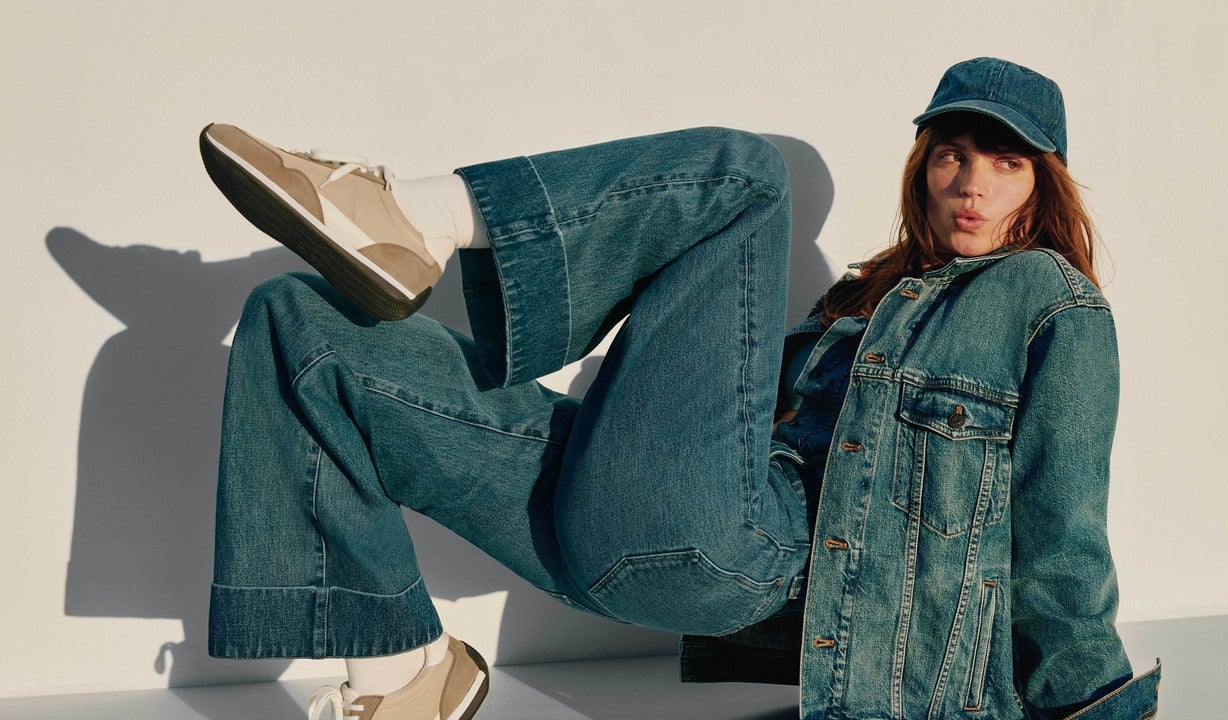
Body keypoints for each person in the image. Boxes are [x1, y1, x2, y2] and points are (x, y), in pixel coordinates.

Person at [200, 57, 1160, 720]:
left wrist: (1096, 704)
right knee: (300, 322)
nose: (972, 183)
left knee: (746, 178)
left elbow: (1061, 531)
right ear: (925, 169)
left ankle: (418, 215)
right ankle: (399, 677)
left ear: (1042, 185)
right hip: (616, 528)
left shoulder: (1050, 304)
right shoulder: (860, 299)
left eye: (1006, 163)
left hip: (736, 556)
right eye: (954, 154)